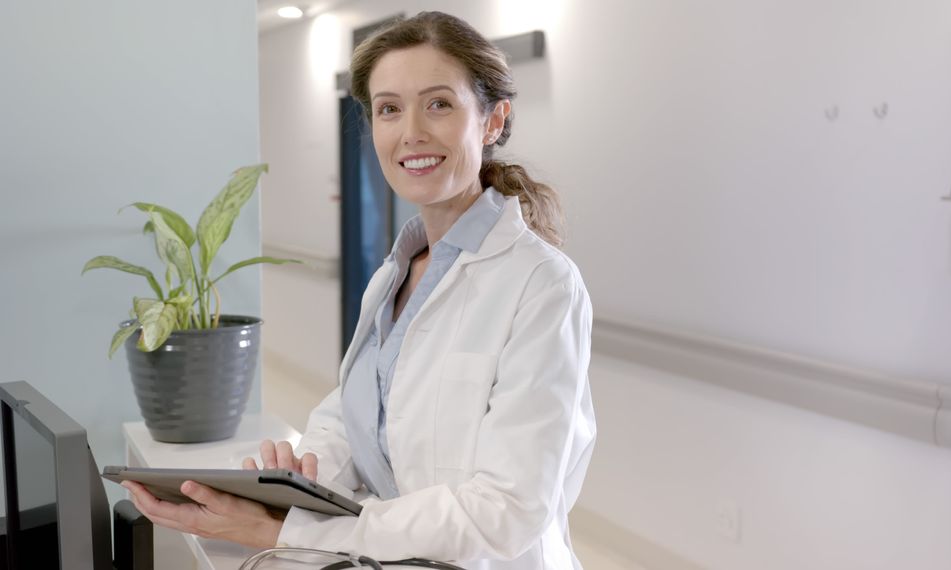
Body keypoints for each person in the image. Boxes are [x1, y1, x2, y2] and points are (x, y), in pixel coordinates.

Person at [122, 11, 596, 569]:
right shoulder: (395, 272)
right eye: (389, 108)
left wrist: (293, 530)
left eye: (439, 103)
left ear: (493, 121)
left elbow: (507, 512)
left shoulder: (541, 283)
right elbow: (353, 418)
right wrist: (303, 475)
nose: (411, 131)